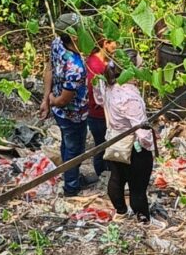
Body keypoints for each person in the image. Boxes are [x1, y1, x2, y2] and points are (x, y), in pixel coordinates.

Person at [94, 49, 157, 223]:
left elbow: (99, 101)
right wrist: (149, 147)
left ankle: (121, 211)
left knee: (117, 178)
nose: (143, 67)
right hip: (133, 147)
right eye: (140, 65)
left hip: (114, 141)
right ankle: (143, 219)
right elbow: (141, 129)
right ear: (131, 70)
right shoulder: (130, 96)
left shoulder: (107, 84)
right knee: (138, 187)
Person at [40, 13, 90, 197]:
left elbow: (49, 67)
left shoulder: (57, 43)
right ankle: (71, 186)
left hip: (61, 113)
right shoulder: (76, 68)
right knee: (75, 148)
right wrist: (51, 99)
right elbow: (62, 101)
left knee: (68, 144)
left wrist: (45, 98)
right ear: (75, 37)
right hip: (72, 114)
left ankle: (71, 176)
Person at [86, 38, 118, 179]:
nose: (116, 47)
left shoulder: (101, 62)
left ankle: (106, 174)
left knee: (104, 145)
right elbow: (98, 95)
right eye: (114, 44)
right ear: (105, 43)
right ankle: (102, 175)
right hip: (98, 113)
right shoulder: (96, 66)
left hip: (101, 112)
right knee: (102, 146)